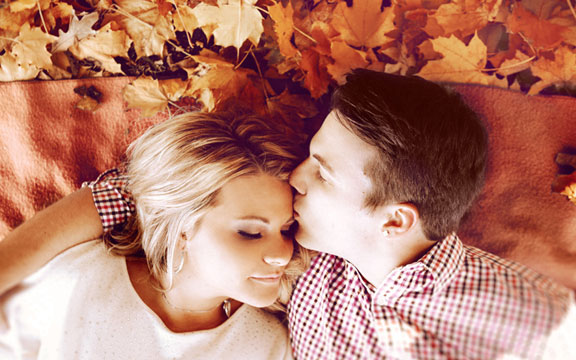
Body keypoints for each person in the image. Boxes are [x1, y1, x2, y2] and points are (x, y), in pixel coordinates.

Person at [1, 70, 574, 359]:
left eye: (321, 171)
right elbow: (162, 190)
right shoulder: (305, 269)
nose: (298, 176)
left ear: (394, 221)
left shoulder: (517, 306)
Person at [0, 111, 310, 359]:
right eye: (250, 233)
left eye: (287, 229)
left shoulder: (268, 346)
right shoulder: (78, 279)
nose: (282, 252)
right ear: (182, 228)